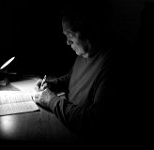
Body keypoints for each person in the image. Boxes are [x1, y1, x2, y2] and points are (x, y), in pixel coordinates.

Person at [33, 0, 133, 141]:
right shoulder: (87, 50)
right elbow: (73, 76)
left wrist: (52, 101)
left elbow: (93, 122)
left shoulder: (117, 62)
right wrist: (52, 84)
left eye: (69, 34)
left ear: (89, 30)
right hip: (67, 124)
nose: (67, 42)